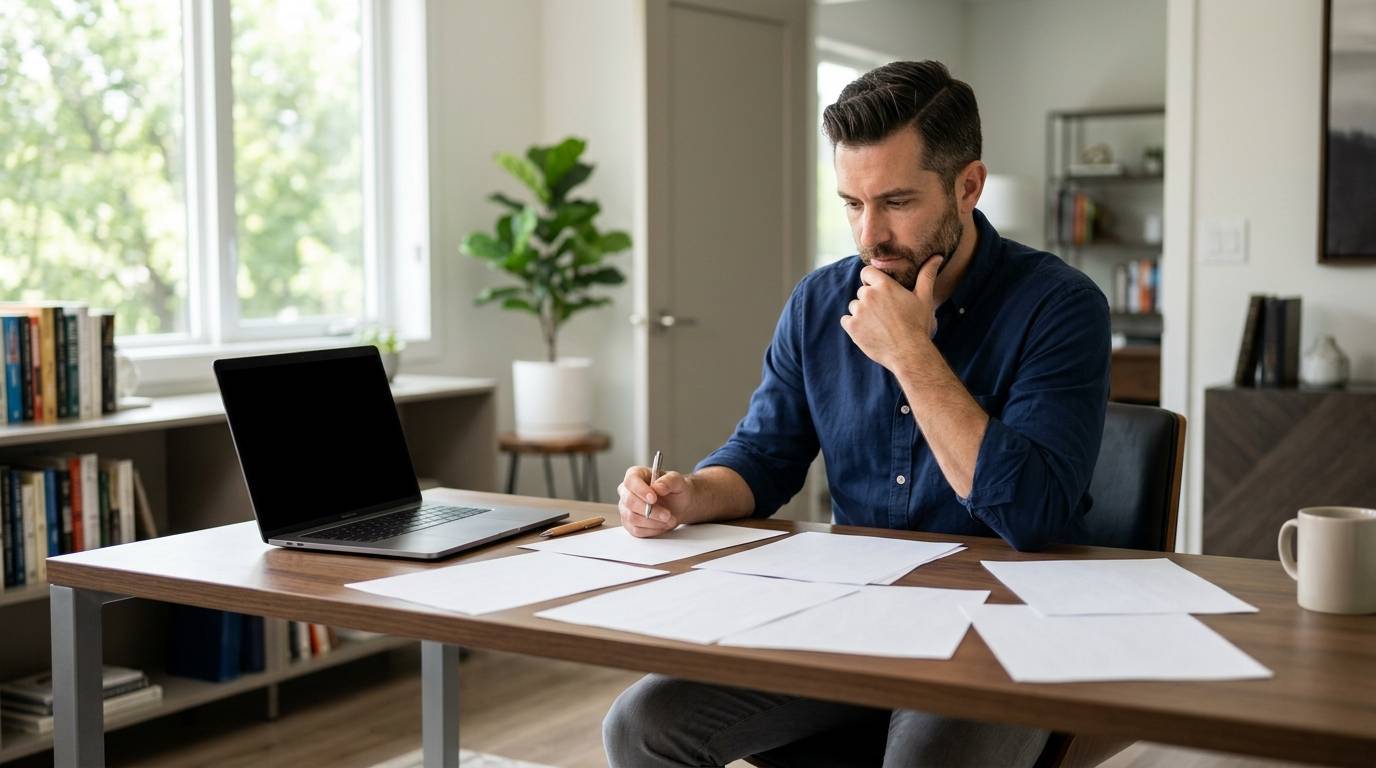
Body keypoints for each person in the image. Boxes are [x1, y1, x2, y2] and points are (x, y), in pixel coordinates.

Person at [604, 60, 1110, 768]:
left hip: (1007, 624)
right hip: (857, 614)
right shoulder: (819, 302)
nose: (869, 234)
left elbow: (1035, 514)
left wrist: (912, 356)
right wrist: (691, 496)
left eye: (897, 202)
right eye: (851, 203)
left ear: (968, 187)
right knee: (641, 725)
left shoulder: (1059, 306)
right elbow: (764, 456)